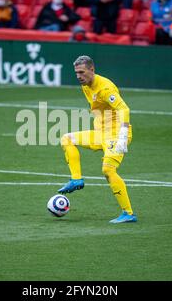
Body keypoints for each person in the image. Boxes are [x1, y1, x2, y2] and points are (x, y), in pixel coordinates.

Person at [58, 56, 137, 224]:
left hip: (116, 134)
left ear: (92, 70)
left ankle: (128, 213)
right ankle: (76, 179)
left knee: (108, 170)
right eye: (76, 73)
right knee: (67, 139)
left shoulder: (105, 88)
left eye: (82, 72)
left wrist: (123, 135)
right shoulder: (86, 85)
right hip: (100, 133)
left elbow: (124, 108)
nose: (79, 76)